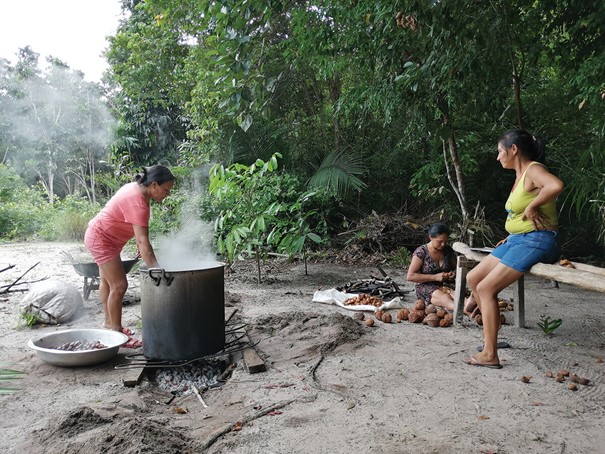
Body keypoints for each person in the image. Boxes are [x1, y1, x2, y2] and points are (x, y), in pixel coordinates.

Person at [464, 129, 564, 369]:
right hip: (518, 240)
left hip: (538, 239)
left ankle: (490, 354)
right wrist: (512, 234)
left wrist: (533, 207)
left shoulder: (534, 170)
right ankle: (491, 336)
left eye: (500, 151)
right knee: (474, 277)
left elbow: (556, 185)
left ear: (514, 149)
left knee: (486, 288)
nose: (498, 157)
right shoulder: (520, 175)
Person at [84, 165, 175, 348]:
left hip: (102, 236)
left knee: (107, 283)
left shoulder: (135, 188)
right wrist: (157, 270)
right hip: (102, 240)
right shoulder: (138, 202)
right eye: (166, 190)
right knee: (119, 285)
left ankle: (109, 324)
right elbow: (143, 242)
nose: (167, 194)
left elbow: (128, 222)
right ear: (154, 185)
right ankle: (116, 335)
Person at [407, 223, 475, 313]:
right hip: (426, 285)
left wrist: (452, 275)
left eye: (446, 241)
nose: (443, 244)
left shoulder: (447, 250)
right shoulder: (421, 252)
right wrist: (434, 277)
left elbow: (456, 269)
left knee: (456, 294)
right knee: (444, 297)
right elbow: (410, 276)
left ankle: (471, 307)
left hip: (446, 285)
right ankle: (464, 311)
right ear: (431, 237)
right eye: (440, 241)